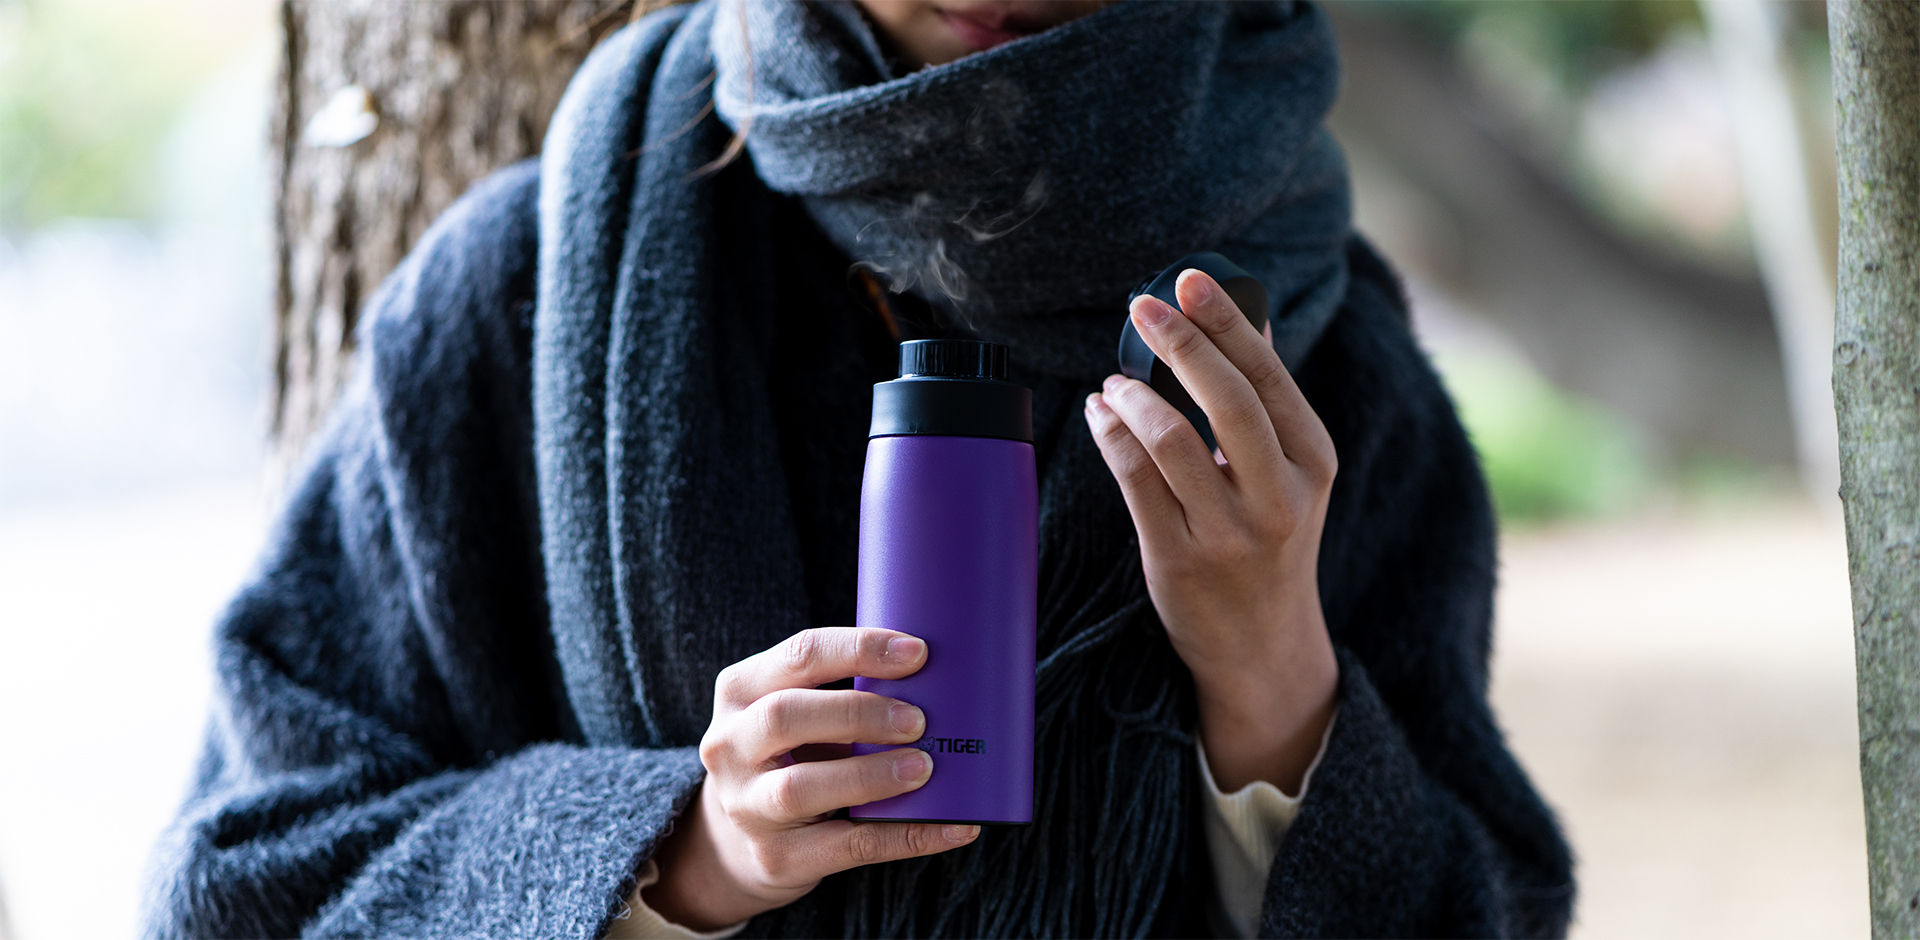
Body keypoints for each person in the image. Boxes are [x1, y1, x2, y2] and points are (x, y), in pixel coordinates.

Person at [141, 1, 1574, 937]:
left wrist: (1275, 687)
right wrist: (684, 854)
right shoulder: (538, 289)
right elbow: (240, 884)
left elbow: (1487, 911)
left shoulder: (1319, 344)